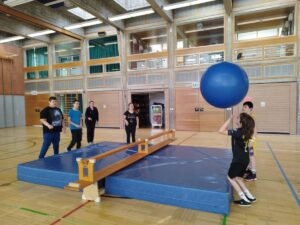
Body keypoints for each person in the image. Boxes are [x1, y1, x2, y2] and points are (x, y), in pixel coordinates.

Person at [218, 113, 256, 206]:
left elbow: (220, 130)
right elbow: (250, 143)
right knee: (238, 178)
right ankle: (250, 196)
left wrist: (229, 119)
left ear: (241, 122)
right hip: (245, 160)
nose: (236, 118)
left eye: (238, 118)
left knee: (230, 177)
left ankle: (244, 199)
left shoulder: (237, 132)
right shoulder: (247, 131)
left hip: (238, 160)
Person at [242, 100, 257, 181]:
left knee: (251, 156)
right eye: (243, 107)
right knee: (248, 156)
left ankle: (254, 174)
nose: (243, 108)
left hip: (251, 141)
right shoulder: (246, 117)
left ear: (250, 109)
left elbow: (255, 131)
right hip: (247, 140)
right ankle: (249, 170)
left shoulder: (251, 118)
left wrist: (252, 141)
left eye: (245, 107)